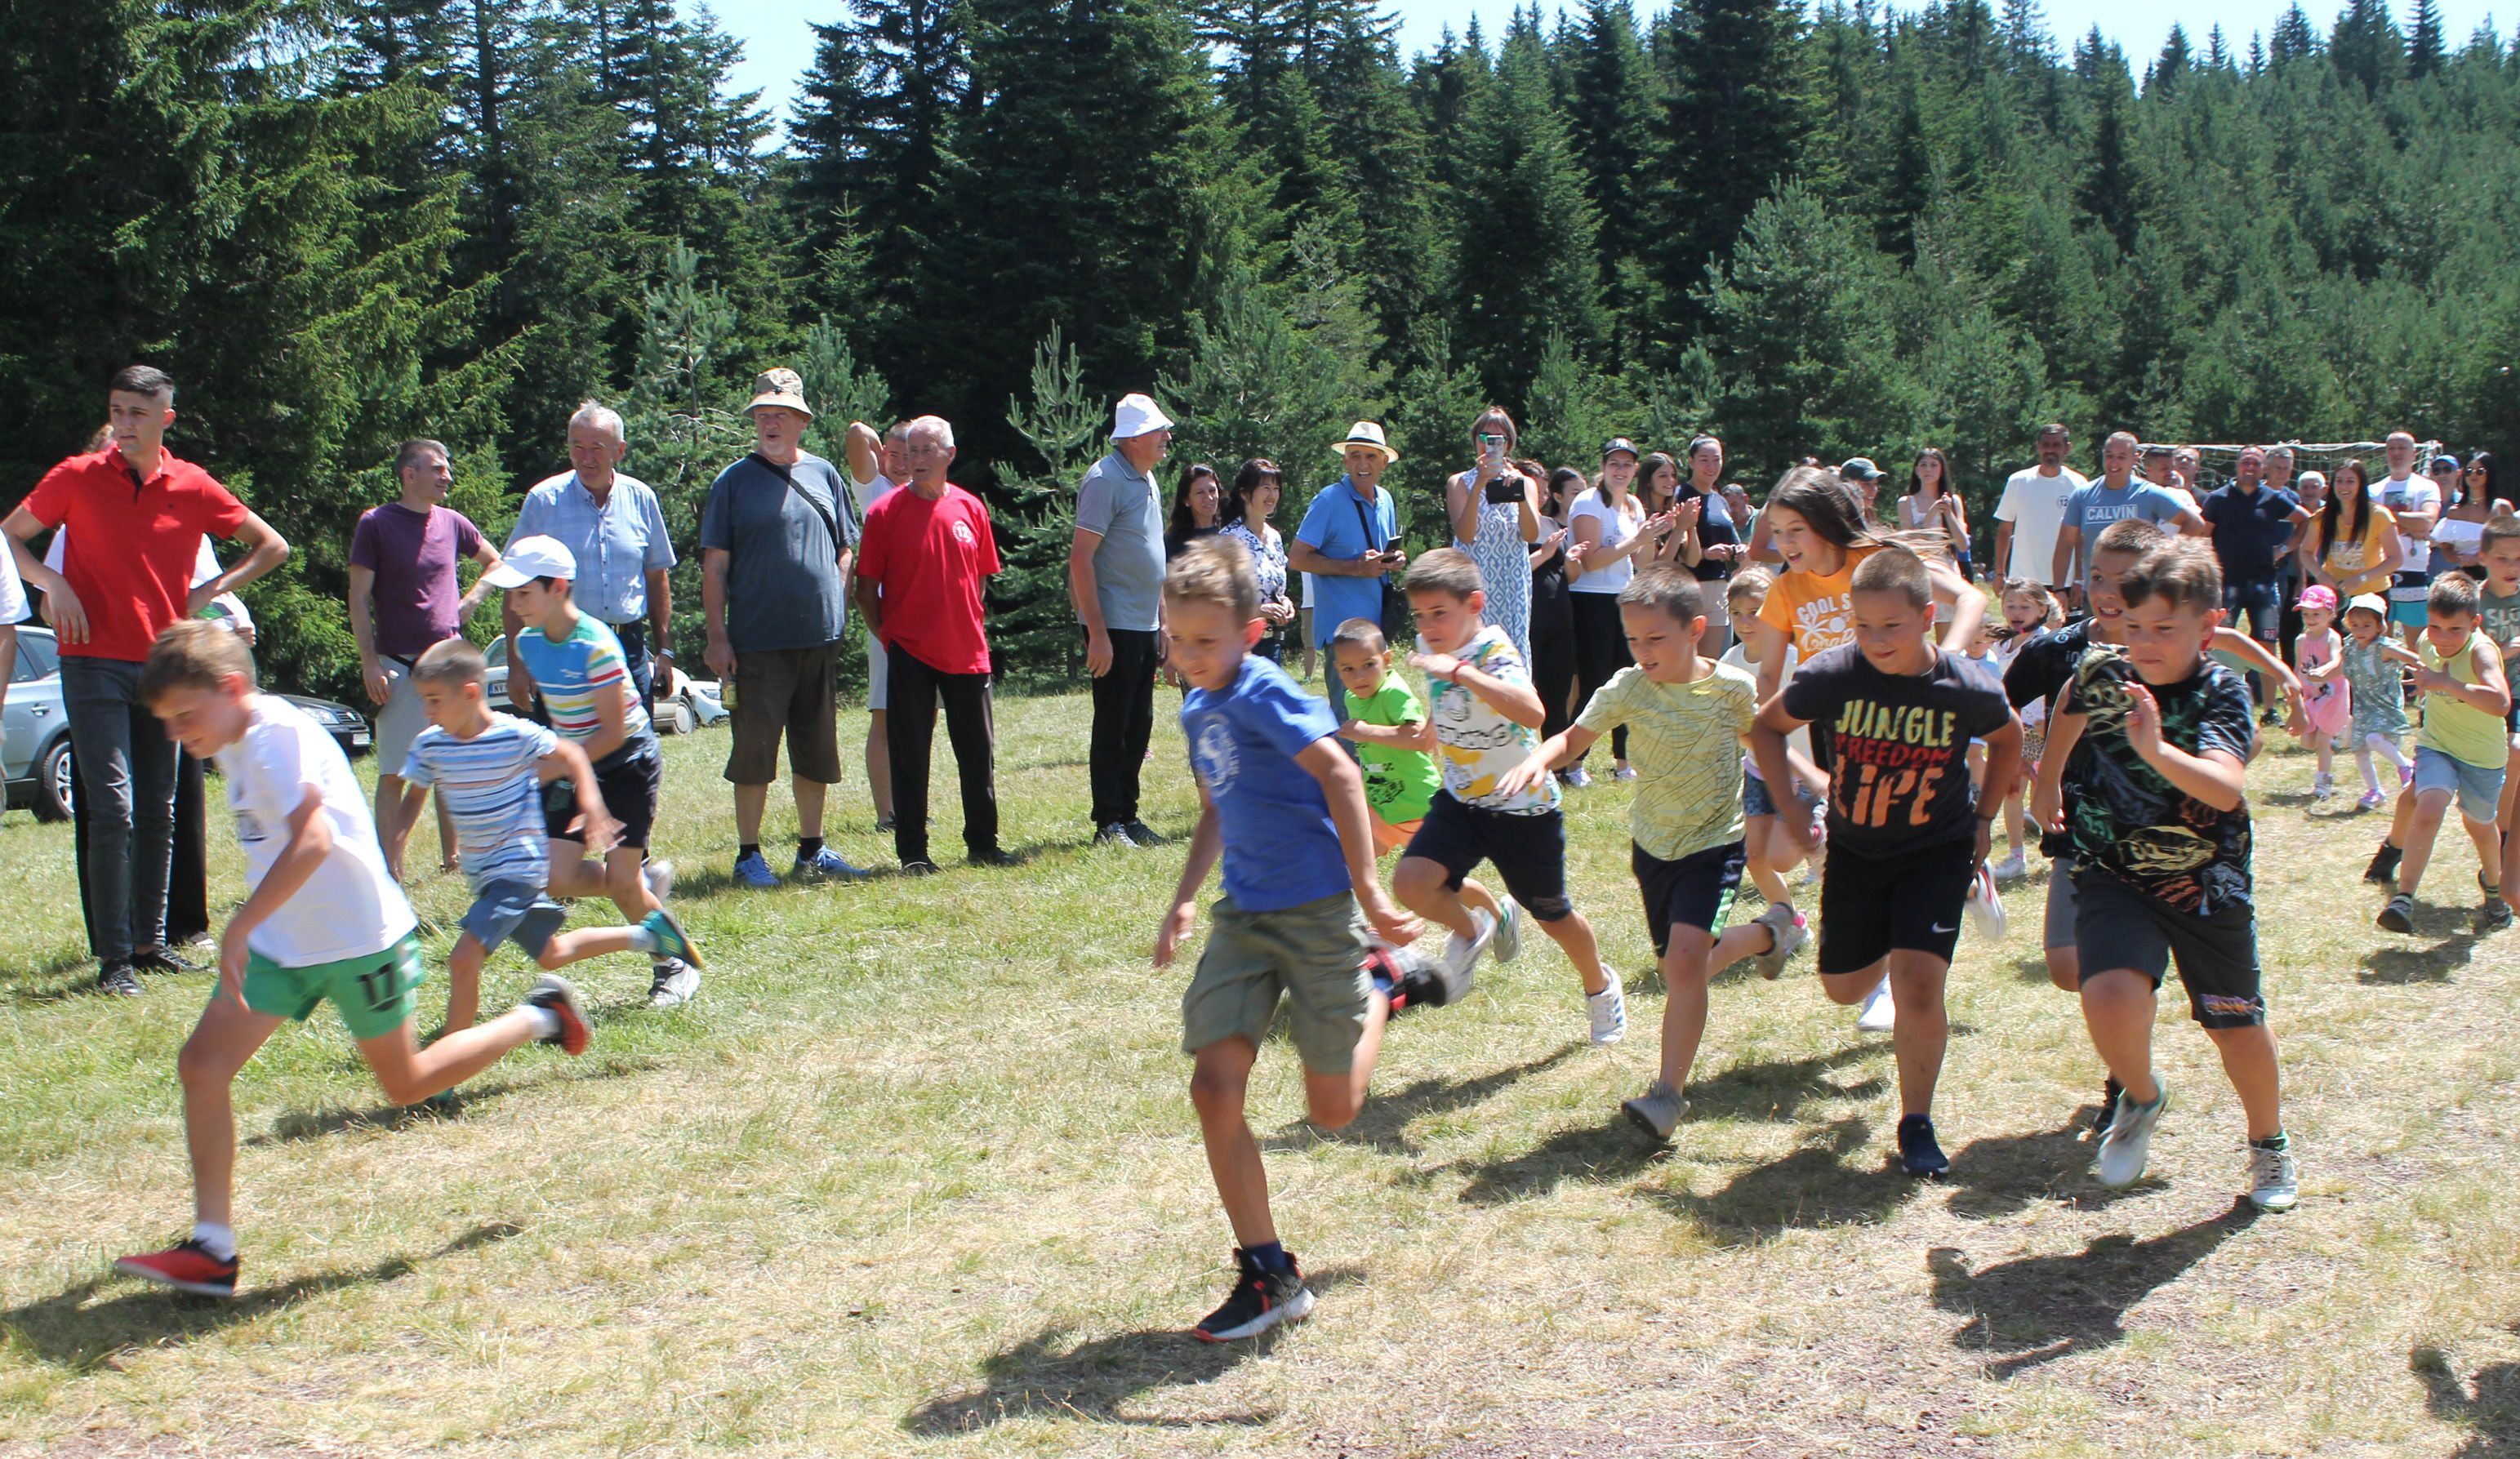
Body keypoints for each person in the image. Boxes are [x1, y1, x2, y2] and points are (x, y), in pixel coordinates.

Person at [109, 623, 594, 1298]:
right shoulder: (232, 733)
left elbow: (312, 840)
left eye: (184, 717)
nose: (175, 734)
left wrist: (238, 926)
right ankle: (214, 1248)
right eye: (167, 721)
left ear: (232, 688)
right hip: (289, 942)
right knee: (202, 1065)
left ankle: (541, 1015)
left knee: (407, 1083)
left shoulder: (277, 735)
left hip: (357, 938)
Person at [1151, 536, 1427, 1342]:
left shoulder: (1263, 692)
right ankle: (1269, 1271)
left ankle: (1387, 983)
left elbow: (1341, 773)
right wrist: (1181, 900)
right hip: (1243, 916)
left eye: (1207, 639)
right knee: (1213, 1085)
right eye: (1177, 637)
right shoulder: (1196, 705)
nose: (1190, 654)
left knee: (1332, 1113)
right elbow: (1216, 806)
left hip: (1313, 914)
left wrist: (1371, 889)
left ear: (1247, 633)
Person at [3, 365, 291, 998]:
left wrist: (212, 588)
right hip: (89, 661)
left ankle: (149, 943)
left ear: (167, 418)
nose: (125, 424)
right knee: (113, 806)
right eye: (117, 410)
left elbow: (273, 546)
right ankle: (114, 961)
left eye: (138, 412)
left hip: (162, 663)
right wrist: (51, 582)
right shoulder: (76, 476)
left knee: (160, 806)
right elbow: (8, 536)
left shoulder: (192, 485)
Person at [2030, 538, 2297, 1212]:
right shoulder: (2106, 670)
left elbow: (2224, 789)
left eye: (2164, 630)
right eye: (2134, 626)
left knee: (2234, 1025)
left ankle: (2269, 1145)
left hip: (2206, 883)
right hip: (2113, 868)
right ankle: (2141, 1096)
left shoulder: (2221, 691)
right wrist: (2050, 777)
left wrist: (2154, 747)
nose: (2144, 643)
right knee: (2108, 993)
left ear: (2209, 628)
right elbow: (2073, 696)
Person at [1498, 566, 1805, 1140]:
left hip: (1715, 843)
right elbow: (1574, 737)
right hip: (1654, 846)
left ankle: (1667, 1095)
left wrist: (1812, 787)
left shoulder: (1730, 689)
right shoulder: (1628, 686)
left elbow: (1763, 744)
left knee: (1687, 963)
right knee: (1677, 966)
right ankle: (1774, 931)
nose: (1641, 651)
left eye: (1654, 639)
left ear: (1694, 629)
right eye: (1633, 639)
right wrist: (1541, 758)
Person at [1752, 547, 2021, 1177]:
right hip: (1856, 849)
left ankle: (1916, 1122)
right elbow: (1765, 728)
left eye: (1891, 626)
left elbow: (2007, 739)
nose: (1875, 640)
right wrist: (1793, 809)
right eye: (1863, 626)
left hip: (1938, 847)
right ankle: (1890, 940)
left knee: (1918, 983)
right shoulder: (1834, 674)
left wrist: (1984, 821)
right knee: (1843, 988)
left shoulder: (1965, 683)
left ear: (1929, 616)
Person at [1749, 468, 1988, 1032]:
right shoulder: (1786, 588)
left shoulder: (1878, 558)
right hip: (1842, 738)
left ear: (1829, 521)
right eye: (1776, 532)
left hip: (1913, 727)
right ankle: (1886, 969)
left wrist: (1944, 668)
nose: (1783, 544)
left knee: (1908, 840)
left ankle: (1938, 907)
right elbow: (1767, 681)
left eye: (1795, 529)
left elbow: (1971, 598)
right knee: (1824, 853)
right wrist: (1798, 761)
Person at [385, 637, 702, 1039]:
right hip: (485, 876)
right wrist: (395, 845)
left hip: (517, 869)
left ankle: (449, 1058)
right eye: (423, 701)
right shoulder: (431, 745)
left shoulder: (512, 734)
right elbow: (414, 796)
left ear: (469, 693)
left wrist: (591, 803)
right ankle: (650, 934)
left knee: (462, 961)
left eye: (434, 700)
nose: (427, 711)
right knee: (552, 955)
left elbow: (570, 754)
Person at [1391, 549, 1628, 1043]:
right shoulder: (1430, 646)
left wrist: (1461, 672)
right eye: (1420, 614)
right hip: (1462, 801)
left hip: (1523, 809)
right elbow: (1447, 697)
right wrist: (1432, 727)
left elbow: (1533, 713)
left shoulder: (1494, 652)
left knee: (1553, 916)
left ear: (1474, 604)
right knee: (1412, 883)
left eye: (1440, 613)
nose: (1429, 625)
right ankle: (1476, 928)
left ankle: (1601, 987)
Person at [496, 536, 698, 1008]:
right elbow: (563, 720)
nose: (514, 604)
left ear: (558, 587)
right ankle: (642, 890)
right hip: (577, 761)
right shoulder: (529, 643)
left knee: (620, 883)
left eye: (523, 593)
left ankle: (676, 964)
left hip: (626, 762)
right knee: (557, 876)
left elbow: (612, 731)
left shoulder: (595, 645)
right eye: (511, 594)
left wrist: (550, 770)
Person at [699, 368, 871, 889]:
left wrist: (836, 601)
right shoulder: (732, 482)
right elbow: (714, 566)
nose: (770, 422)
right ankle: (749, 855)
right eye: (762, 414)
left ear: (801, 421)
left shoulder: (824, 474)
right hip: (756, 641)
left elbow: (847, 547)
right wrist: (717, 635)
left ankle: (812, 849)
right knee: (754, 751)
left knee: (816, 747)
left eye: (781, 414)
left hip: (818, 638)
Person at [854, 416, 1008, 874]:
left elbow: (979, 579)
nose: (916, 460)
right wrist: (891, 636)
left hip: (967, 651)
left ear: (948, 455)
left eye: (926, 450)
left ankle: (983, 844)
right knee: (910, 755)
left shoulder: (971, 508)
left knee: (977, 754)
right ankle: (913, 853)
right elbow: (865, 590)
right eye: (910, 451)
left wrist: (963, 621)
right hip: (910, 653)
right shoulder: (885, 513)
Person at [351, 438, 503, 879]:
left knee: (454, 763)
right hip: (397, 664)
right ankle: (389, 868)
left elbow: (496, 562)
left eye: (447, 468)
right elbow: (358, 598)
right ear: (408, 474)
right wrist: (370, 663)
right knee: (395, 772)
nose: (447, 476)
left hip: (449, 663)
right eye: (437, 468)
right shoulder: (376, 523)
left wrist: (473, 598)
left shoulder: (453, 522)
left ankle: (454, 861)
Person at [506, 401, 678, 717]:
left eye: (597, 448)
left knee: (631, 751)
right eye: (577, 447)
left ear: (619, 450)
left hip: (630, 649)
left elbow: (657, 577)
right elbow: (515, 582)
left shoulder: (642, 499)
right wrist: (517, 666)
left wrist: (664, 652)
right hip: (562, 648)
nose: (586, 458)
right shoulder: (543, 501)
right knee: (568, 757)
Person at [2368, 573, 2512, 933]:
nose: (2443, 638)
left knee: (2480, 827)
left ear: (2474, 624)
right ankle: (2404, 899)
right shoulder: (2427, 646)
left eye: (2455, 629)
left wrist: (2447, 683)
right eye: (2435, 626)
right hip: (2438, 746)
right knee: (2428, 805)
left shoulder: (2481, 650)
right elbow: (2422, 673)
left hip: (2483, 756)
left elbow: (2500, 703)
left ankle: (2494, 889)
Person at [1070, 393, 1176, 849]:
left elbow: (1154, 559)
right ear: (1134, 439)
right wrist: (1097, 634)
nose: (1167, 437)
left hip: (1144, 625)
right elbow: (1080, 560)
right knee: (1113, 725)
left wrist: (1164, 623)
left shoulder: (1147, 479)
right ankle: (1107, 822)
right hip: (1112, 625)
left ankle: (1129, 815)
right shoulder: (1104, 479)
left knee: (1139, 725)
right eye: (1159, 431)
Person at [1718, 568, 1824, 927]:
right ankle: (1793, 921)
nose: (1746, 622)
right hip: (1758, 772)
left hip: (1804, 773)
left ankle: (1824, 835)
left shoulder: (1796, 660)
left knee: (1781, 858)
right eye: (1737, 613)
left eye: (1756, 612)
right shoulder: (1728, 663)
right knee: (1755, 857)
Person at [1289, 422, 1408, 721]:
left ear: (1384, 462)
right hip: (1342, 636)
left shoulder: (1386, 500)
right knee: (1351, 724)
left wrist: (1393, 560)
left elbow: (1377, 555)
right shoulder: (1328, 501)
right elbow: (1298, 558)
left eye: (1370, 456)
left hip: (1376, 631)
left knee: (1379, 720)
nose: (1362, 464)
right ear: (1345, 461)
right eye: (1355, 456)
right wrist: (1355, 568)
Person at [1567, 439, 1664, 781]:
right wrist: (1636, 541)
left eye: (1627, 465)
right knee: (1594, 683)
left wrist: (1650, 536)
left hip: (1623, 598)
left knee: (1629, 679)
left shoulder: (1634, 505)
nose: (1620, 471)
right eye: (1614, 464)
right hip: (1590, 599)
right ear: (1604, 467)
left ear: (1635, 469)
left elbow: (1642, 562)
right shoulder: (1588, 503)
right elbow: (1591, 561)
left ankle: (1623, 762)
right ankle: (1575, 763)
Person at [2200, 446, 2310, 727]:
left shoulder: (2273, 499)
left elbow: (2304, 519)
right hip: (2226, 583)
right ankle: (2215, 701)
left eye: (2256, 463)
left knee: (2267, 644)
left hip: (2263, 582)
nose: (2250, 467)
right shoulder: (2217, 499)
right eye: (2245, 462)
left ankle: (2270, 709)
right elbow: (2202, 535)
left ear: (2264, 469)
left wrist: (2284, 548)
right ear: (2237, 466)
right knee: (2214, 640)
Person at [842, 419, 910, 830]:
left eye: (911, 454)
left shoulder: (922, 494)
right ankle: (887, 813)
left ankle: (907, 803)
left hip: (921, 617)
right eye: (895, 455)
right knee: (885, 714)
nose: (902, 463)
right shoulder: (874, 489)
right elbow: (854, 434)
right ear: (882, 453)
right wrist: (878, 446)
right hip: (885, 616)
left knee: (919, 717)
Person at [2050, 431, 2207, 598]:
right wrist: (2060, 588)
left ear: (2135, 459)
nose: (2114, 462)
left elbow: (2195, 524)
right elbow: (2065, 544)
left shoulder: (2149, 493)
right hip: (2097, 593)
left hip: (2138, 593)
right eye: (2109, 456)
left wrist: (2166, 559)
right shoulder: (2083, 495)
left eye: (2121, 457)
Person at [1446, 407, 1542, 661]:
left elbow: (1531, 534)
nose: (1490, 444)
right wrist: (1479, 484)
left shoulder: (1524, 482)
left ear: (1508, 444)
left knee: (1512, 651)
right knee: (1472, 649)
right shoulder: (1459, 482)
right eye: (1484, 437)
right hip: (1473, 583)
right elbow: (1465, 534)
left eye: (1498, 439)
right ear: (1475, 440)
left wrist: (1519, 494)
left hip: (1511, 584)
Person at [2339, 593, 2415, 813]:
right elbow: (2340, 664)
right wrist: (2318, 674)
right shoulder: (2351, 647)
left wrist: (2428, 672)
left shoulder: (2385, 648)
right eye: (2355, 625)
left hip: (2384, 705)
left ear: (2380, 626)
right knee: (2360, 749)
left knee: (2373, 738)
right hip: (2363, 705)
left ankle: (2405, 765)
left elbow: (2413, 658)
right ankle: (2375, 791)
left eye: (2366, 625)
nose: (2360, 630)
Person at [1671, 437, 1748, 650]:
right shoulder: (1681, 495)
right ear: (1691, 461)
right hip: (1689, 585)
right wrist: (1706, 553)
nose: (1711, 466)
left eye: (1717, 459)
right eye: (1704, 460)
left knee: (1712, 662)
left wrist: (1738, 550)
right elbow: (1675, 545)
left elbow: (1734, 540)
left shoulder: (1719, 500)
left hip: (1719, 587)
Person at [1218, 459, 1297, 664]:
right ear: (1245, 493)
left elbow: (1275, 588)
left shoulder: (1275, 537)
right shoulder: (1229, 539)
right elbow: (1217, 599)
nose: (1272, 495)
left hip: (1273, 643)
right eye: (1265, 488)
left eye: (1276, 488)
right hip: (1238, 647)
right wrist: (1259, 610)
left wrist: (1285, 603)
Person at [1529, 465, 1585, 751]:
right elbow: (1509, 573)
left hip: (1561, 617)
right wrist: (1545, 553)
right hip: (1529, 619)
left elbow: (1569, 576)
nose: (1538, 497)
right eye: (1532, 491)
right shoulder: (1513, 527)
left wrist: (1570, 560)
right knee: (1527, 690)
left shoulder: (1553, 525)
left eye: (1541, 491)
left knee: (1558, 692)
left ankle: (1557, 763)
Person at [1993, 424, 2088, 587]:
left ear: (2067, 448)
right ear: (2038, 447)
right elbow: (2005, 529)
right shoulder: (2018, 481)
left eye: (2056, 445)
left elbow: (2081, 537)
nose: (2050, 450)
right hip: (2024, 581)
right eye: (2045, 445)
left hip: (2064, 582)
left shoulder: (2079, 484)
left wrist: (2079, 578)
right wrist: (2000, 573)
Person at [2300, 458, 2402, 603]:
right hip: (2334, 594)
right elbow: (2305, 552)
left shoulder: (2379, 515)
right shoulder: (2321, 517)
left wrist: (2361, 579)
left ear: (2361, 485)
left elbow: (2396, 559)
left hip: (2372, 593)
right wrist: (2321, 575)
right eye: (2339, 481)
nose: (2343, 486)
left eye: (2350, 481)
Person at [2375, 431, 2444, 646]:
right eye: (2391, 449)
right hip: (2378, 572)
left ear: (2414, 454)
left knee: (2418, 645)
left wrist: (2387, 517)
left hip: (2413, 573)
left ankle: (2417, 680)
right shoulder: (2373, 490)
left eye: (2402, 448)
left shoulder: (2426, 486)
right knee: (2379, 644)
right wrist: (2408, 525)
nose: (2396, 453)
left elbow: (2427, 522)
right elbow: (2370, 529)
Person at [2293, 585, 2352, 802]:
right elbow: (2298, 666)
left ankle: (2323, 782)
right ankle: (2345, 724)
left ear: (2331, 614)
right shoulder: (2300, 640)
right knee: (2308, 742)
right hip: (2312, 695)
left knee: (2323, 739)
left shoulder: (2331, 637)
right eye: (2306, 614)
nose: (2310, 618)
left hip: (2332, 694)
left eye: (2316, 613)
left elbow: (2338, 659)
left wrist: (2323, 672)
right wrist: (2293, 688)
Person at [1901, 448, 1973, 581]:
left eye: (1933, 465)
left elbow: (1963, 545)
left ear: (1942, 470)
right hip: (1919, 570)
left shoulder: (1954, 501)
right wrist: (1931, 515)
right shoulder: (1906, 503)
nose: (1928, 469)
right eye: (1923, 465)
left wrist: (1948, 514)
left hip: (1947, 570)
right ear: (1917, 470)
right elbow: (1910, 543)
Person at [2430, 453, 2491, 572]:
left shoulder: (2467, 506)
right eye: (2437, 471)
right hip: (2429, 574)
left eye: (2447, 470)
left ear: (2458, 473)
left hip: (2465, 574)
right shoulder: (2424, 503)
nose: (2442, 475)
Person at [1166, 462, 1225, 559]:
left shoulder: (1228, 534)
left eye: (1212, 490)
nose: (1209, 498)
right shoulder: (1172, 542)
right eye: (1200, 493)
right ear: (1187, 500)